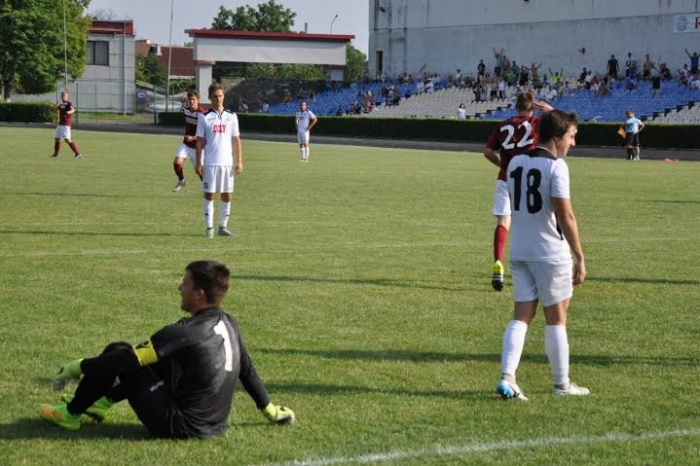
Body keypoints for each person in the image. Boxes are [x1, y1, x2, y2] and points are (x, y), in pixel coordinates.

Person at [39, 260, 296, 437]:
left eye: (185, 283)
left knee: (120, 351)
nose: (179, 287)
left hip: (178, 425)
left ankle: (71, 414)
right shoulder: (229, 323)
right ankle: (100, 402)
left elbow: (128, 360)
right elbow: (247, 371)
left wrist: (76, 367)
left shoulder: (184, 331)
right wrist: (271, 411)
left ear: (199, 293)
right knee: (164, 360)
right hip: (214, 426)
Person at [495, 109, 588, 401]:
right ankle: (562, 384)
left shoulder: (516, 163)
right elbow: (565, 215)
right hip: (550, 253)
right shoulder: (557, 167)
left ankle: (507, 377)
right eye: (571, 136)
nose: (573, 143)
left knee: (521, 316)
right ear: (557, 137)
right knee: (556, 319)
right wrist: (579, 256)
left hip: (519, 250)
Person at [483, 91, 553, 291]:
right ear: (533, 107)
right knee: (533, 223)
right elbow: (563, 127)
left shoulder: (503, 125)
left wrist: (502, 165)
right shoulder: (537, 123)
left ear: (515, 106)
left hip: (506, 177)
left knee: (503, 222)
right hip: (528, 180)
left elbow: (487, 152)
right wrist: (551, 111)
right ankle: (536, 269)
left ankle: (498, 261)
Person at [195, 83, 243, 238]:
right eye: (215, 96)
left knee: (227, 195)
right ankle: (209, 228)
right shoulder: (204, 117)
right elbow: (199, 141)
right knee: (209, 194)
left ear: (224, 96)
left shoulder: (231, 116)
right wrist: (198, 162)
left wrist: (239, 161)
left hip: (227, 163)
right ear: (210, 98)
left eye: (221, 96)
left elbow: (236, 139)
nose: (218, 99)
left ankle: (223, 227)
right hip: (210, 162)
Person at [172, 91, 203, 192]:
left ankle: (208, 186)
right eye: (190, 99)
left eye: (194, 99)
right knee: (177, 161)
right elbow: (178, 106)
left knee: (199, 171)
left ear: (198, 100)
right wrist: (182, 97)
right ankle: (181, 181)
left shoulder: (201, 114)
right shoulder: (186, 110)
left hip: (198, 147)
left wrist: (193, 138)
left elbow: (205, 133)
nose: (192, 101)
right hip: (186, 144)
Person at [50, 91, 82, 160]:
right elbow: (57, 108)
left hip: (66, 124)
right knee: (57, 138)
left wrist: (69, 112)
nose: (63, 97)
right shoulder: (61, 104)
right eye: (62, 96)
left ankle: (78, 153)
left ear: (67, 96)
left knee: (67, 139)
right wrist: (52, 107)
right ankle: (56, 154)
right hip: (60, 124)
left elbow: (73, 110)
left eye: (64, 96)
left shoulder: (68, 103)